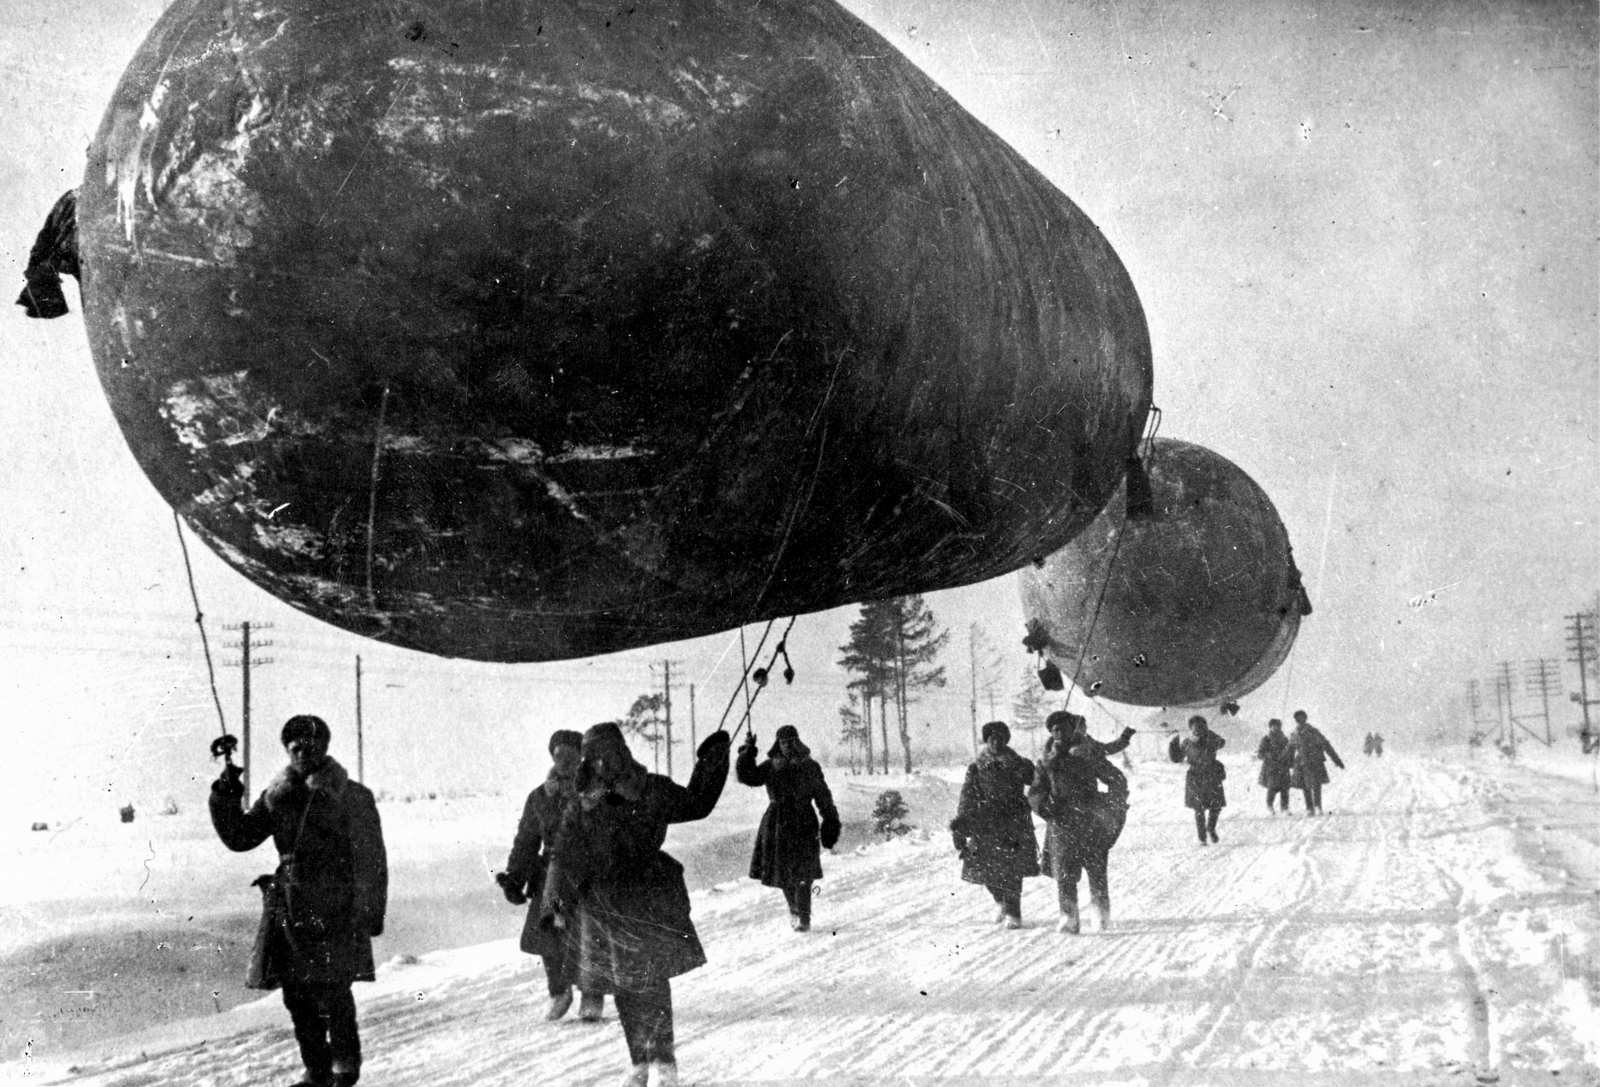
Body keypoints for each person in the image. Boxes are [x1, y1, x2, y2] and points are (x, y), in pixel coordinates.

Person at [539, 722, 731, 1087]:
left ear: (622, 753)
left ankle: (665, 1063)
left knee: (651, 983)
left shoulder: (651, 789)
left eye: (609, 754)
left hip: (646, 897)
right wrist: (553, 901)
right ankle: (639, 1063)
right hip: (602, 903)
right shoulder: (581, 803)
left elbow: (696, 803)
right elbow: (562, 854)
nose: (602, 763)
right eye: (594, 757)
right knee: (623, 986)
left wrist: (714, 755)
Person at [210, 715, 387, 1087]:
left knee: (334, 989)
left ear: (324, 748)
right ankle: (317, 1070)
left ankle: (344, 1068)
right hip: (290, 904)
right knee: (296, 993)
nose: (303, 753)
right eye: (295, 747)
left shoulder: (352, 796)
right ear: (287, 750)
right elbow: (240, 837)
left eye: (311, 746)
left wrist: (370, 910)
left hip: (336, 903)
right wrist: (226, 794)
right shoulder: (277, 797)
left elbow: (372, 858)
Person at [497, 729, 604, 1022]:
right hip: (554, 881)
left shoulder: (596, 792)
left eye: (572, 755)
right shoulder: (541, 797)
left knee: (589, 935)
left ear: (581, 757)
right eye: (560, 755)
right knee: (550, 933)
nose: (565, 761)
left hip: (589, 878)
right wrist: (515, 877)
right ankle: (559, 992)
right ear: (552, 757)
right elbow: (526, 841)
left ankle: (592, 994)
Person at [1028, 710, 1129, 934]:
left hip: (1090, 821)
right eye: (1055, 729)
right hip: (1061, 824)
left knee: (1096, 872)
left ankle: (1100, 916)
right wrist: (1046, 806)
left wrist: (1108, 802)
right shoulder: (1046, 761)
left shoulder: (1088, 755)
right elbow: (1035, 793)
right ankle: (1069, 917)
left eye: (1064, 728)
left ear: (1073, 730)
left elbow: (1117, 780)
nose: (1059, 732)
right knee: (1064, 873)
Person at [736, 724, 841, 932]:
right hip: (776, 824)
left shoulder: (810, 767)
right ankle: (794, 909)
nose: (786, 746)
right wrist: (747, 751)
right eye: (782, 742)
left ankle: (804, 917)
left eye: (790, 742)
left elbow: (823, 797)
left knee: (803, 873)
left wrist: (830, 820)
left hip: (803, 823)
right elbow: (748, 777)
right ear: (778, 744)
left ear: (797, 742)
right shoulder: (771, 766)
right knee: (782, 873)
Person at [949, 721, 1040, 928]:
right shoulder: (977, 767)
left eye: (1000, 738)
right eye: (991, 738)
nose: (996, 742)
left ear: (1006, 740)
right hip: (987, 823)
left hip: (1014, 822)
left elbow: (1037, 782)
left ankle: (1014, 914)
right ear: (986, 740)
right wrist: (961, 823)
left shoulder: (1019, 763)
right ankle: (1000, 900)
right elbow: (967, 796)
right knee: (986, 869)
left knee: (1012, 869)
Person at [1169, 715, 1226, 844]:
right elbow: (1176, 758)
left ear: (1205, 727)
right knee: (1198, 809)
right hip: (1195, 777)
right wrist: (1174, 741)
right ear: (1191, 728)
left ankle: (1210, 829)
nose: (1198, 729)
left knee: (1215, 807)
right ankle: (1202, 838)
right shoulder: (1187, 743)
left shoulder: (1211, 740)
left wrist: (1209, 734)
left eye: (1201, 726)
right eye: (1195, 727)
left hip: (1212, 775)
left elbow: (1222, 742)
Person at [1287, 709, 1344, 815]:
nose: (1301, 721)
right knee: (1305, 786)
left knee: (1316, 784)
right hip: (1302, 763)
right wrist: (1287, 763)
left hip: (1315, 761)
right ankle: (1310, 808)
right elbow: (1290, 749)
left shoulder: (1313, 731)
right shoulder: (1294, 734)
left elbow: (1326, 745)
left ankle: (1318, 807)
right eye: (1298, 720)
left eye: (1302, 718)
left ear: (1305, 719)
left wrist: (1336, 760)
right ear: (1296, 721)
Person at [1256, 718, 1293, 814]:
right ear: (1270, 727)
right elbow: (1260, 754)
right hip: (1271, 768)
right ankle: (1269, 806)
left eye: (1278, 726)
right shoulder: (1266, 739)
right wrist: (1268, 755)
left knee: (1285, 788)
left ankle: (1284, 808)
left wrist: (1289, 760)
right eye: (1274, 726)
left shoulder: (1285, 739)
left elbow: (1290, 751)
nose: (1277, 728)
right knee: (1272, 788)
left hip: (1283, 766)